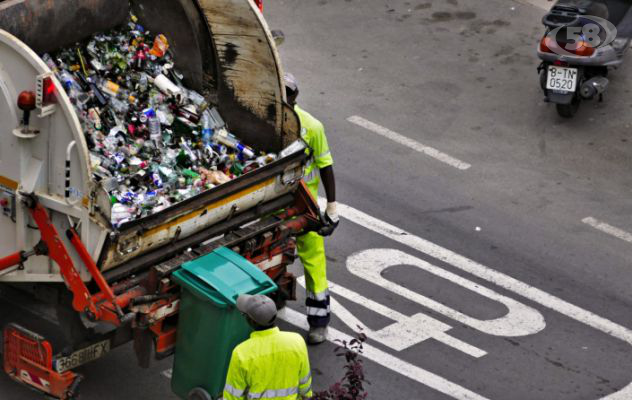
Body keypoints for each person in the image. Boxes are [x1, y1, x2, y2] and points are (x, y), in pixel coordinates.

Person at [284, 72, 339, 345]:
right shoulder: (264, 120)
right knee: (272, 254)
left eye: (288, 92)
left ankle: (319, 322)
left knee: (314, 263)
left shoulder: (312, 127)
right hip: (273, 203)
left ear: (296, 96)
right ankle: (272, 298)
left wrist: (331, 206)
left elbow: (326, 165)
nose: (284, 97)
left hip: (303, 206)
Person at [223, 294, 313, 400]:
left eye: (244, 314)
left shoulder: (241, 353)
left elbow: (232, 396)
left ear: (252, 321)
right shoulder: (297, 342)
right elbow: (305, 384)